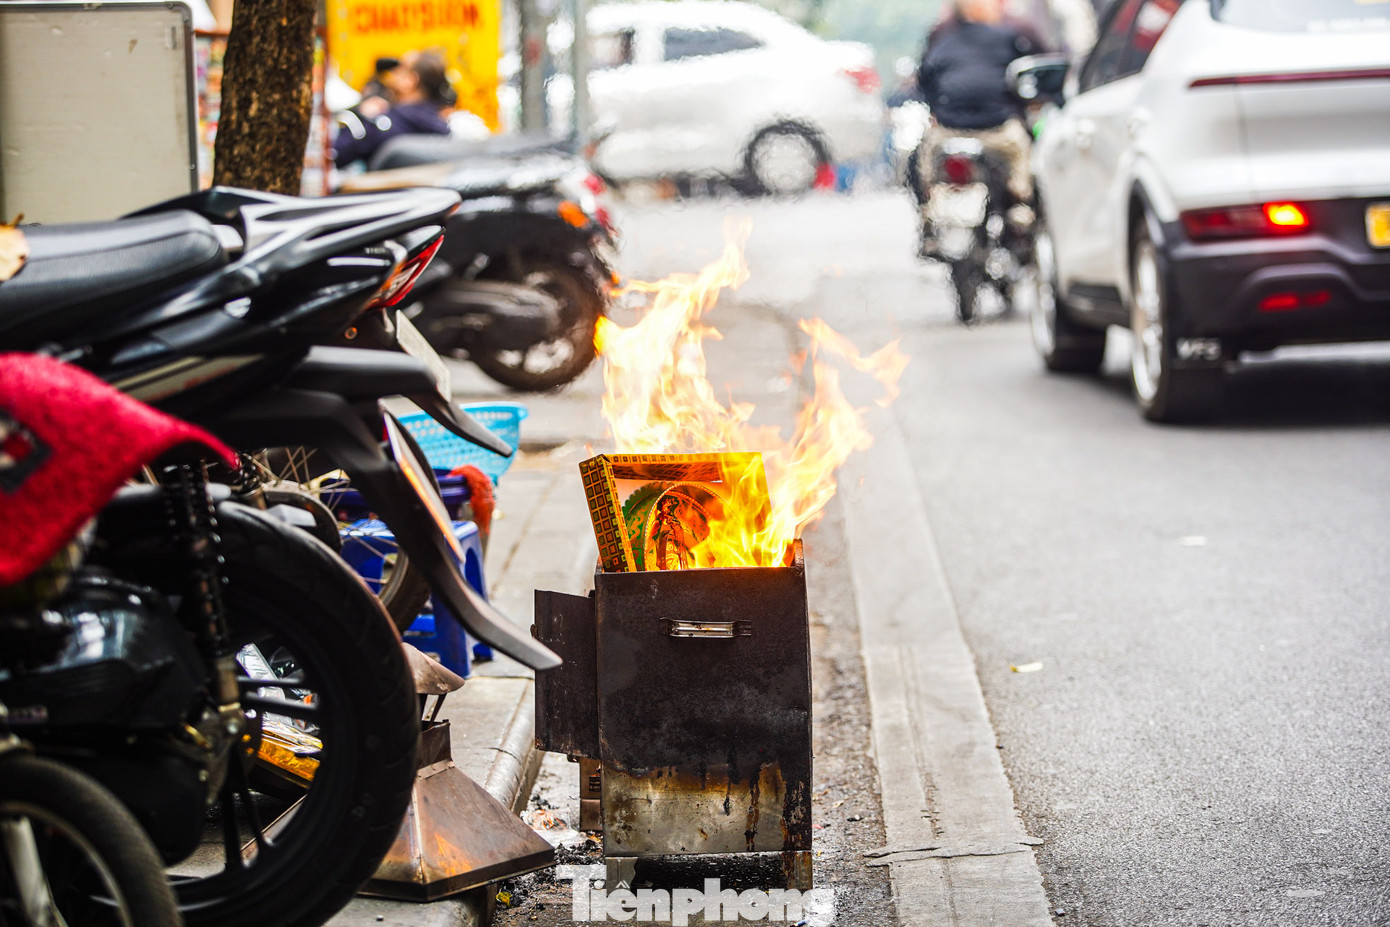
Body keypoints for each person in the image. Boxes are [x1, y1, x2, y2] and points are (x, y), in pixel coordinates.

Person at [914, 0, 1040, 257]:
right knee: (1022, 158)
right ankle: (1021, 208)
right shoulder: (1009, 36)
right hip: (998, 131)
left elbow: (924, 80)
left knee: (922, 163)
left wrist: (936, 110)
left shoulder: (942, 40)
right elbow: (1028, 76)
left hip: (948, 131)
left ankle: (926, 216)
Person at [333, 51, 453, 169]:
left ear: (410, 81)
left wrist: (363, 115)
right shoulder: (443, 125)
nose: (392, 73)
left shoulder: (385, 124)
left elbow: (335, 155)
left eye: (399, 68)